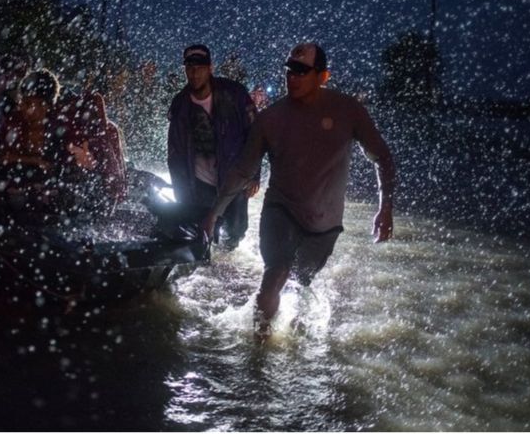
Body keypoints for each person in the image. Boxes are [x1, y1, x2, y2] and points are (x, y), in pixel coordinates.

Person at [201, 43, 396, 339]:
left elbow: (382, 157)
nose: (292, 77)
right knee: (275, 273)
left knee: (299, 280)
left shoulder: (348, 111)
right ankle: (258, 348)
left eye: (301, 71)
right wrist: (214, 214)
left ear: (323, 76)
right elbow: (242, 171)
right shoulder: (271, 119)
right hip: (281, 209)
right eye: (289, 70)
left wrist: (385, 208)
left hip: (325, 223)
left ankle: (295, 332)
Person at [167, 44, 259, 250]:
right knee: (202, 231)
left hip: (234, 177)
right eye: (190, 67)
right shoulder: (180, 104)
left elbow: (255, 135)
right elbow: (175, 153)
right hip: (199, 181)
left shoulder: (235, 94)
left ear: (210, 68)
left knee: (236, 230)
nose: (194, 73)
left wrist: (255, 175)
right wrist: (181, 193)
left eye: (200, 67)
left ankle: (229, 253)